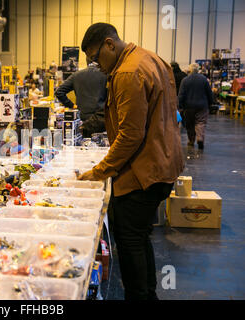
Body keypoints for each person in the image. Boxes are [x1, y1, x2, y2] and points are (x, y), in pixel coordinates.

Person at [78, 23, 184, 300]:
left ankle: (140, 295)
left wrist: (99, 171)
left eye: (95, 57)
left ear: (110, 44)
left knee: (129, 240)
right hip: (164, 162)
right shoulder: (151, 58)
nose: (95, 65)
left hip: (144, 171)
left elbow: (130, 136)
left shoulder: (127, 72)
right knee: (139, 236)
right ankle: (148, 293)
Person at [55, 60, 107, 136]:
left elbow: (59, 92)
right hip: (102, 121)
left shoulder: (76, 75)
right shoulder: (106, 75)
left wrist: (71, 105)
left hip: (83, 120)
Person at [178, 63, 213, 150]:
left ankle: (191, 141)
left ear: (189, 70)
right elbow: (209, 93)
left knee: (190, 125)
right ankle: (200, 139)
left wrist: (180, 106)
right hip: (202, 106)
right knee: (200, 123)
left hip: (188, 107)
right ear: (198, 70)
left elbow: (181, 95)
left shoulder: (185, 80)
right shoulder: (204, 79)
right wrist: (210, 103)